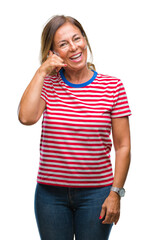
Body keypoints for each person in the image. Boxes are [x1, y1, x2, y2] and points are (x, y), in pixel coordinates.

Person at [18, 15, 131, 240]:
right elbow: (26, 117)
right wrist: (42, 72)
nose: (73, 47)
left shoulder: (112, 87)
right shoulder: (47, 84)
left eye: (76, 39)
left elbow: (123, 146)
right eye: (63, 44)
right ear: (52, 53)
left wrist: (115, 194)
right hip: (50, 197)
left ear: (85, 39)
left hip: (97, 195)